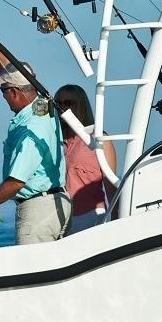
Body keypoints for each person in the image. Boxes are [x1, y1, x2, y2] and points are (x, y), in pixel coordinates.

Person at [0, 8, 71, 244]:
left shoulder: (29, 130)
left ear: (14, 92)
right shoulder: (42, 104)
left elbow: (16, 182)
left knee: (36, 276)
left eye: (3, 90)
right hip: (57, 204)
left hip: (37, 211)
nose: (2, 95)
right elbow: (8, 67)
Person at [54, 84, 118, 232]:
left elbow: (111, 187)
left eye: (69, 103)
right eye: (58, 103)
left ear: (81, 106)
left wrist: (117, 225)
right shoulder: (54, 141)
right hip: (58, 220)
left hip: (90, 217)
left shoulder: (99, 139)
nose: (62, 107)